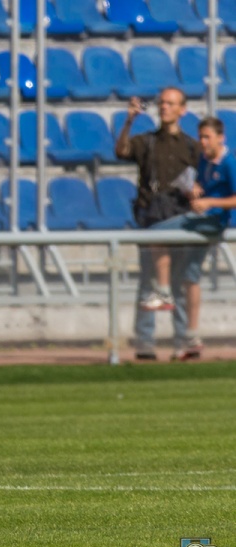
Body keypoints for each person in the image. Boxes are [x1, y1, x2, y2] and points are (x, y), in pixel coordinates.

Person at [115, 88, 201, 359]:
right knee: (147, 280)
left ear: (182, 110)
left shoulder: (191, 146)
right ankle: (145, 343)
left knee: (179, 281)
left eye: (170, 103)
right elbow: (122, 151)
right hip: (151, 219)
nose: (164, 107)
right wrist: (129, 121)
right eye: (162, 103)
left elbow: (202, 183)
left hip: (179, 220)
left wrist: (196, 192)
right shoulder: (147, 141)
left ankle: (182, 342)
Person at [168, 116, 236, 360]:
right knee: (186, 275)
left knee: (159, 233)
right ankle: (189, 336)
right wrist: (195, 188)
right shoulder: (204, 160)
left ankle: (162, 290)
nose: (203, 142)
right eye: (201, 137)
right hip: (200, 220)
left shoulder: (229, 163)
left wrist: (209, 202)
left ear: (221, 138)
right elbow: (201, 184)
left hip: (212, 223)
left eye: (207, 137)